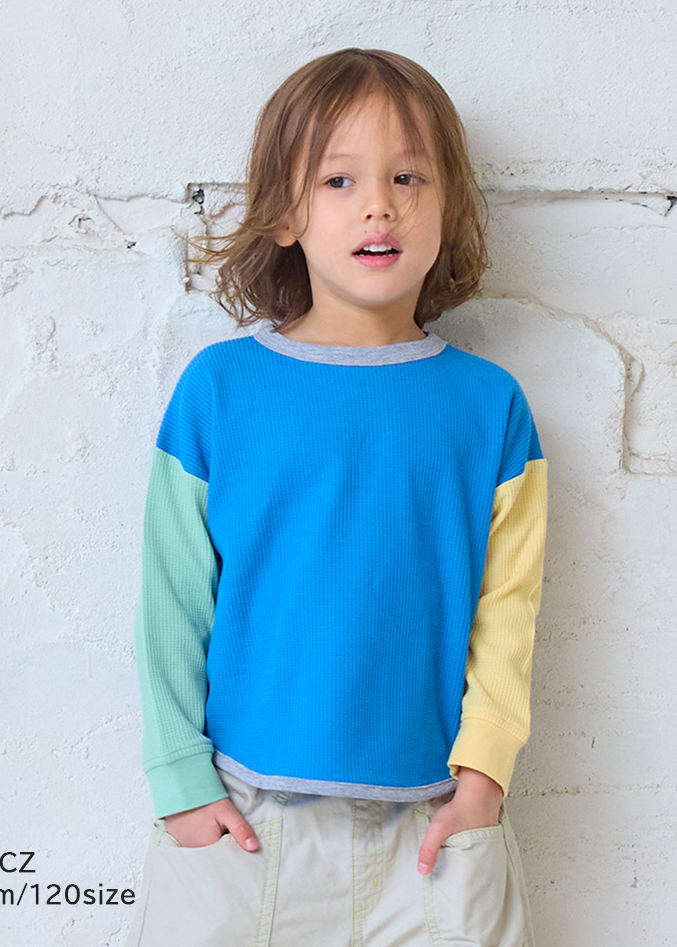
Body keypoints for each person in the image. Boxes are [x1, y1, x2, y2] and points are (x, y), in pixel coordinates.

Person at [126, 47, 548, 947]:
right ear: (285, 213)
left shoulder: (491, 408)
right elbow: (172, 599)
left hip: (433, 832)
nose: (378, 205)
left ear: (448, 207)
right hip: (243, 822)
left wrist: (484, 779)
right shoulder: (220, 391)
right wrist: (180, 780)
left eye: (407, 177)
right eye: (339, 180)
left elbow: (508, 611)